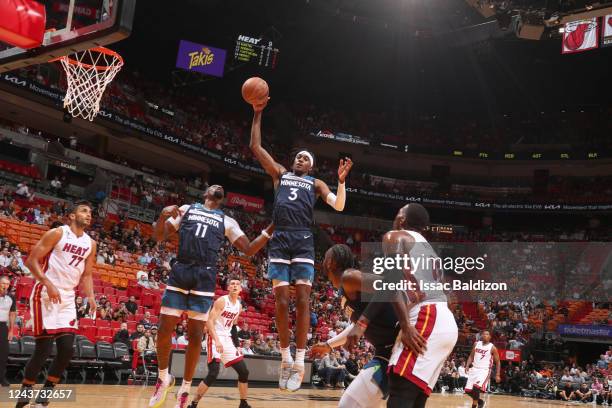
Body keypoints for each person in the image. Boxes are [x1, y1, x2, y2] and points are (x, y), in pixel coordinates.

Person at [250, 100, 353, 392]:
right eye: (298, 157)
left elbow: (340, 206)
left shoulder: (317, 184)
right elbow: (256, 148)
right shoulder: (280, 174)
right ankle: (285, 359)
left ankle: (299, 359)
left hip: (303, 240)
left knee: (304, 301)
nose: (301, 160)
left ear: (313, 166)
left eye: (306, 158)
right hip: (280, 239)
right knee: (281, 302)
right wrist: (258, 113)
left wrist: (342, 182)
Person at [148, 185, 273, 408]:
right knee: (164, 328)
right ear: (205, 193)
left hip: (205, 276)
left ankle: (185, 388)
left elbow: (249, 249)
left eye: (221, 188)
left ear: (222, 198)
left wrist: (270, 229)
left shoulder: (227, 221)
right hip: (181, 270)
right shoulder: (186, 209)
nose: (218, 187)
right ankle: (163, 377)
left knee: (195, 336)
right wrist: (162, 215)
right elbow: (158, 235)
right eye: (213, 186)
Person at [344, 203, 458, 408]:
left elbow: (392, 280)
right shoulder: (428, 249)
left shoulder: (395, 236)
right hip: (443, 320)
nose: (395, 219)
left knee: (400, 391)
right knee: (414, 399)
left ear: (403, 220)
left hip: (427, 315)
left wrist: (401, 324)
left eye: (397, 215)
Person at [16, 201, 97, 408]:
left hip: (68, 297)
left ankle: (43, 399)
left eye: (90, 212)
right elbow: (32, 261)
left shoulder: (90, 243)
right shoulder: (57, 233)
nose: (88, 215)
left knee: (67, 350)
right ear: (72, 215)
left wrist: (91, 297)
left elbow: (87, 275)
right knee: (43, 350)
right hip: (45, 293)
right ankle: (23, 399)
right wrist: (47, 283)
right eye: (84, 211)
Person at [311, 243, 402, 407]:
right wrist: (328, 346)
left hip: (396, 349)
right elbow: (355, 328)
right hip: (385, 353)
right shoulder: (344, 288)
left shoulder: (349, 277)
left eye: (325, 257)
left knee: (349, 404)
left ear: (331, 261)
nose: (323, 261)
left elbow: (390, 286)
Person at [190, 277, 251, 408]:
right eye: (232, 284)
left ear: (241, 289)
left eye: (237, 284)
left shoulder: (239, 306)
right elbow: (209, 321)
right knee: (213, 373)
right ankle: (193, 404)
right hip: (214, 337)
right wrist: (217, 340)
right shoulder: (221, 301)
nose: (234, 286)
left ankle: (243, 403)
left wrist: (237, 346)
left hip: (227, 339)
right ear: (228, 287)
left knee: (244, 372)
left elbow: (233, 327)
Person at [464, 330, 501, 408]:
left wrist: (497, 374)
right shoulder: (476, 344)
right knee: (468, 390)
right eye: (483, 334)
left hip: (484, 370)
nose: (485, 335)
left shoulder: (492, 348)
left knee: (476, 387)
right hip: (474, 369)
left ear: (490, 337)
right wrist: (467, 365)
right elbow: (471, 356)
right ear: (481, 336)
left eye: (487, 334)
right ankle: (481, 402)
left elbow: (498, 362)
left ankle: (474, 406)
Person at [0, 275, 16, 386]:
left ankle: (1, 378)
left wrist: (11, 330)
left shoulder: (11, 298)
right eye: (3, 283)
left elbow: (12, 314)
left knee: (3, 354)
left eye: (7, 284)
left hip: (2, 327)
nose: (5, 286)